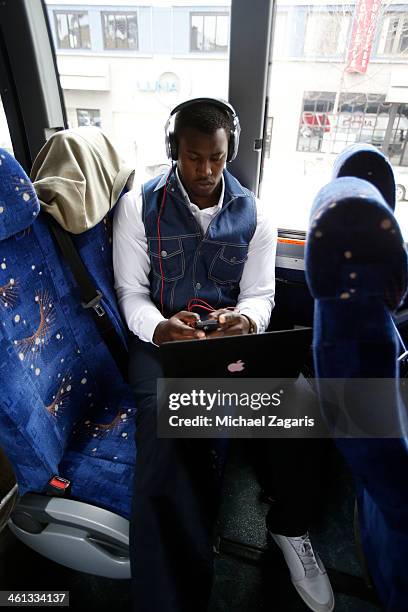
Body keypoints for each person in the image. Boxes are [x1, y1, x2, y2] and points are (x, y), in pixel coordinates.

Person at [112, 98, 333, 612]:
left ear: (229, 151)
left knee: (304, 410)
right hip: (161, 344)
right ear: (174, 151)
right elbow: (130, 294)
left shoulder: (257, 214)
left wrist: (249, 320)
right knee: (170, 436)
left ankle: (289, 527)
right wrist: (161, 329)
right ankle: (170, 595)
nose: (206, 171)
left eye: (216, 158)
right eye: (194, 157)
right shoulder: (136, 208)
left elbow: (260, 294)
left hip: (231, 343)